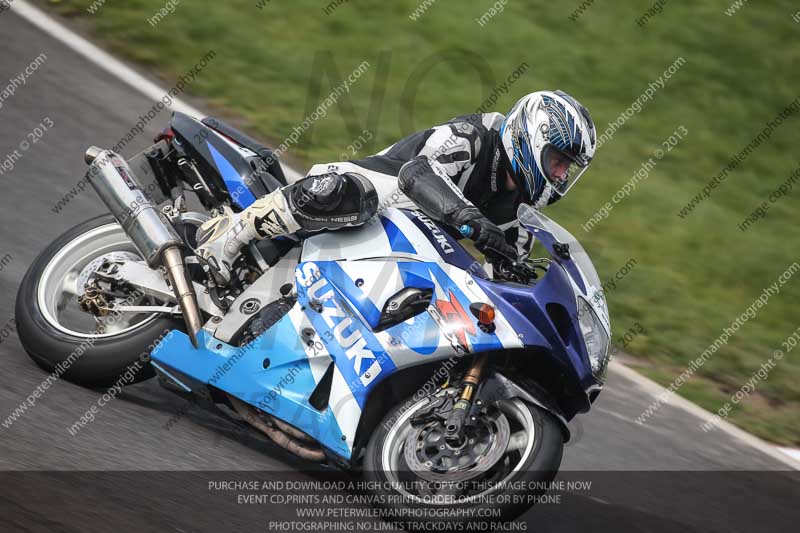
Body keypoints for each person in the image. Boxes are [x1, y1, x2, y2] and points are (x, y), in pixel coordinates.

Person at [196, 90, 597, 285]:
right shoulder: (471, 138)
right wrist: (471, 221)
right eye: (559, 161)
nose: (561, 175)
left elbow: (504, 278)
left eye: (568, 169)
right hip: (370, 198)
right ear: (532, 139)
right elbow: (416, 175)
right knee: (344, 193)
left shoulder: (520, 218)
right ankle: (230, 235)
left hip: (403, 249)